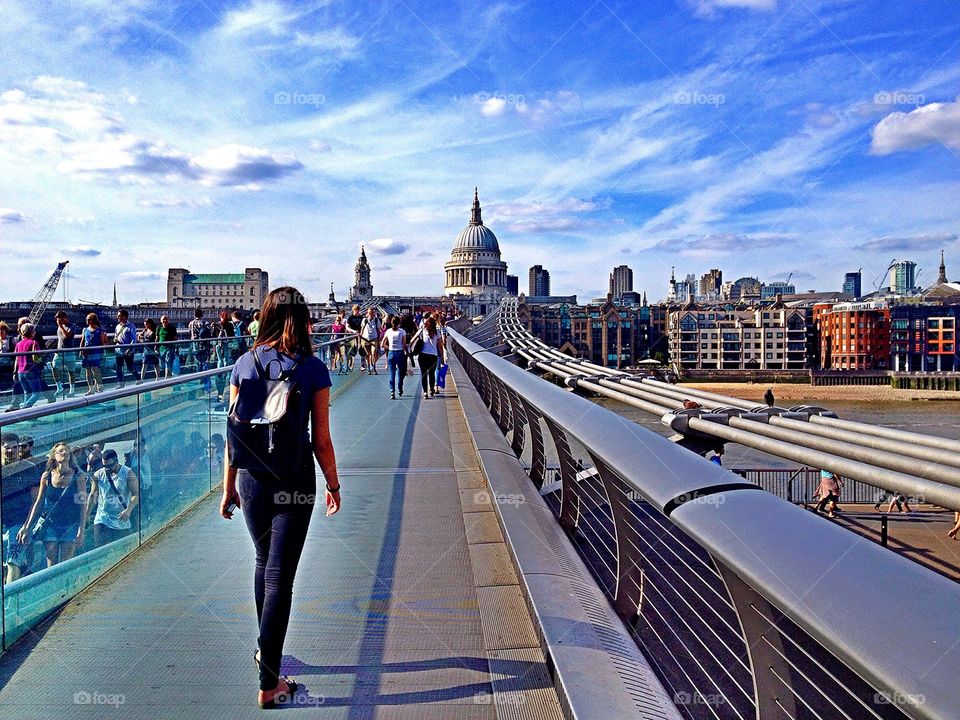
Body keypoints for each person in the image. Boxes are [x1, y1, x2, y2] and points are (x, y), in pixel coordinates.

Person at [219, 286, 340, 709]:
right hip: (293, 477)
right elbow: (321, 440)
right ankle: (269, 681)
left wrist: (228, 485)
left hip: (252, 480)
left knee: (262, 563)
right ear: (304, 318)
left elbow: (233, 433)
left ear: (265, 316)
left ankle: (266, 655)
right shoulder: (312, 369)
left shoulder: (242, 364)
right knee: (280, 578)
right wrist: (334, 484)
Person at [18, 443, 87, 568]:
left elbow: (83, 505)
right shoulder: (47, 476)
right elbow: (38, 502)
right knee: (52, 563)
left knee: (66, 563)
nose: (64, 453)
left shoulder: (78, 476)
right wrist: (27, 527)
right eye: (60, 451)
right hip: (51, 524)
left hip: (70, 524)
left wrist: (81, 530)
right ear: (54, 456)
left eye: (66, 451)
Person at [85, 448, 139, 547]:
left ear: (117, 461)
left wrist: (128, 510)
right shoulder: (98, 474)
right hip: (103, 518)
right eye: (105, 466)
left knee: (121, 551)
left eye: (110, 466)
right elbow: (93, 495)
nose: (107, 469)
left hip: (121, 519)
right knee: (102, 549)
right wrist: (87, 514)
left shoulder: (127, 473)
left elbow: (136, 494)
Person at [413, 316, 443, 399]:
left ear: (426, 324)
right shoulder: (437, 333)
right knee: (431, 374)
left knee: (423, 374)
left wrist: (410, 351)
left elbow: (413, 340)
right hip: (433, 356)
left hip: (422, 356)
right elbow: (440, 346)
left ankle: (425, 392)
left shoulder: (422, 331)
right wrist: (442, 356)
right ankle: (431, 389)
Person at [14, 323, 43, 408]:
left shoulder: (18, 344)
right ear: (32, 332)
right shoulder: (34, 342)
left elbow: (16, 358)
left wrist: (15, 372)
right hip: (31, 371)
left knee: (27, 392)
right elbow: (39, 356)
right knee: (37, 393)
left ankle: (27, 413)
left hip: (20, 372)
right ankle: (25, 407)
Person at [79, 312, 107, 394]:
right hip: (87, 354)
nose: (86, 320)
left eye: (88, 319)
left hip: (96, 353)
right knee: (88, 371)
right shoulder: (85, 330)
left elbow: (104, 343)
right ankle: (91, 388)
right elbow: (83, 341)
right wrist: (81, 350)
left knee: (96, 371)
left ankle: (100, 386)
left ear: (93, 320)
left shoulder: (100, 331)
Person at [381, 315, 407, 399]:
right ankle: (400, 390)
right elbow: (404, 345)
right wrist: (407, 352)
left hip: (391, 353)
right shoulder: (402, 332)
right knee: (400, 373)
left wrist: (389, 348)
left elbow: (382, 344)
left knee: (392, 373)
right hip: (400, 353)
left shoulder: (388, 331)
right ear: (399, 322)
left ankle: (392, 391)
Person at [52, 311, 77, 397]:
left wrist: (61, 326)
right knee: (54, 367)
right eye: (58, 319)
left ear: (65, 318)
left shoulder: (72, 326)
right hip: (59, 352)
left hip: (70, 353)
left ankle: (72, 390)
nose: (59, 321)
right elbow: (60, 339)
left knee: (71, 371)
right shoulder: (59, 327)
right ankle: (59, 387)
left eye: (60, 319)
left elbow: (67, 336)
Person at [114, 309, 138, 387]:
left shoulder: (131, 326)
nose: (118, 317)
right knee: (118, 368)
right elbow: (115, 336)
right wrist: (115, 339)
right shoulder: (117, 326)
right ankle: (120, 384)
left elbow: (133, 339)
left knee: (130, 367)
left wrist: (130, 349)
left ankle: (138, 378)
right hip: (118, 350)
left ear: (125, 316)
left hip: (128, 351)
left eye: (119, 315)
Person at [188, 309, 213, 377]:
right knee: (205, 361)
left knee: (197, 362)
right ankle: (205, 376)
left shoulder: (191, 323)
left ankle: (198, 376)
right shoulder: (205, 323)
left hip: (195, 345)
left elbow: (190, 332)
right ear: (202, 315)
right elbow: (211, 333)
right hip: (204, 345)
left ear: (194, 315)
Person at [359, 307, 382, 375]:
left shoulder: (376, 320)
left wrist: (379, 340)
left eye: (372, 313)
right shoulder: (364, 320)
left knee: (373, 353)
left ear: (374, 313)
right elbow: (362, 330)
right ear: (367, 314)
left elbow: (378, 330)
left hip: (374, 339)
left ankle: (373, 367)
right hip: (365, 339)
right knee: (367, 355)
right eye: (369, 313)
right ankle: (369, 367)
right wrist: (360, 340)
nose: (371, 314)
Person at [345, 304, 364, 372]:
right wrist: (353, 331)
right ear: (353, 310)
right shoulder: (350, 318)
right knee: (353, 350)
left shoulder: (361, 317)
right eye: (356, 310)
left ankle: (362, 365)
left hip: (360, 335)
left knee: (362, 349)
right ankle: (351, 365)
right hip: (352, 336)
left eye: (358, 310)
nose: (357, 311)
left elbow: (364, 326)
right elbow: (347, 327)